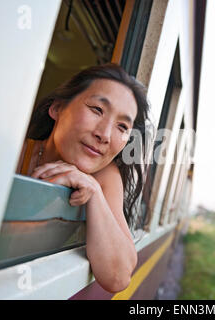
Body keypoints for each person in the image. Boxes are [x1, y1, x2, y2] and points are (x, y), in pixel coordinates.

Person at [15, 63, 150, 293]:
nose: (105, 135)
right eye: (97, 110)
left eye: (122, 126)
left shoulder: (105, 176)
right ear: (57, 108)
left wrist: (95, 191)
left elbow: (117, 277)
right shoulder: (13, 151)